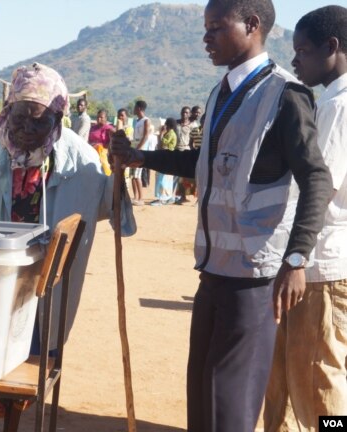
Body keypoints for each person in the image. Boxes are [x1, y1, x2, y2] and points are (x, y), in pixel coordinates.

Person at [110, 0, 333, 429]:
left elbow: (316, 179)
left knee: (229, 405)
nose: (206, 38)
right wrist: (142, 157)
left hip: (254, 280)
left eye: (216, 28)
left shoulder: (286, 96)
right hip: (214, 272)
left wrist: (296, 258)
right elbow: (207, 162)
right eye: (205, 28)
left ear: (251, 25)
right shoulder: (223, 92)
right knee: (203, 394)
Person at [0, 63, 136, 430]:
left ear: (58, 119)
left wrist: (121, 170)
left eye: (39, 122)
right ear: (7, 110)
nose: (26, 130)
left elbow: (106, 203)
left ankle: (12, 425)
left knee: (26, 364)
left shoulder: (80, 158)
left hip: (42, 283)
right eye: (19, 118)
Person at [264, 5, 347, 430]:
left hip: (319, 266)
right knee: (284, 378)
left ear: (332, 48)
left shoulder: (337, 106)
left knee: (320, 387)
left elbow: (319, 188)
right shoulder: (330, 100)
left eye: (303, 51)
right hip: (310, 262)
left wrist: (295, 259)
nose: (295, 61)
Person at [151, 117, 177, 206]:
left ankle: (163, 198)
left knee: (163, 179)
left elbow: (164, 142)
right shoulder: (168, 133)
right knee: (160, 178)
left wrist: (161, 134)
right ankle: (160, 197)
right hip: (164, 156)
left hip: (168, 157)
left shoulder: (171, 134)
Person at [130, 100, 151, 205]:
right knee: (133, 175)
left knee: (137, 174)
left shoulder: (146, 120)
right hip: (135, 146)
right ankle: (135, 197)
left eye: (135, 107)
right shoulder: (137, 121)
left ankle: (141, 198)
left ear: (138, 108)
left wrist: (138, 148)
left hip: (140, 149)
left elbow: (145, 136)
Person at [87, 108, 114, 175]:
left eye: (101, 117)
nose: (99, 119)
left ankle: (107, 175)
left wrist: (100, 146)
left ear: (106, 118)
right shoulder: (93, 128)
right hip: (90, 150)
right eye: (98, 117)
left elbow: (112, 141)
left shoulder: (109, 128)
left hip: (103, 152)